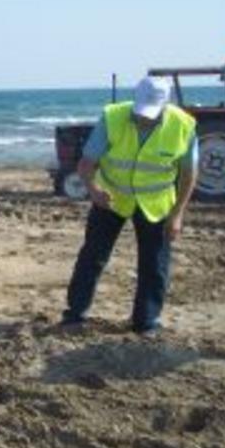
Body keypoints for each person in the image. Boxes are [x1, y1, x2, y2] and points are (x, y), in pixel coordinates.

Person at [61, 76, 198, 335]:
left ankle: (146, 322)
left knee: (154, 264)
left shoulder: (183, 125)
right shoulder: (113, 117)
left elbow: (189, 174)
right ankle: (74, 315)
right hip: (111, 198)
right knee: (92, 257)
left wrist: (178, 214)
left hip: (156, 203)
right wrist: (93, 190)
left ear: (165, 105)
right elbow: (87, 163)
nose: (144, 118)